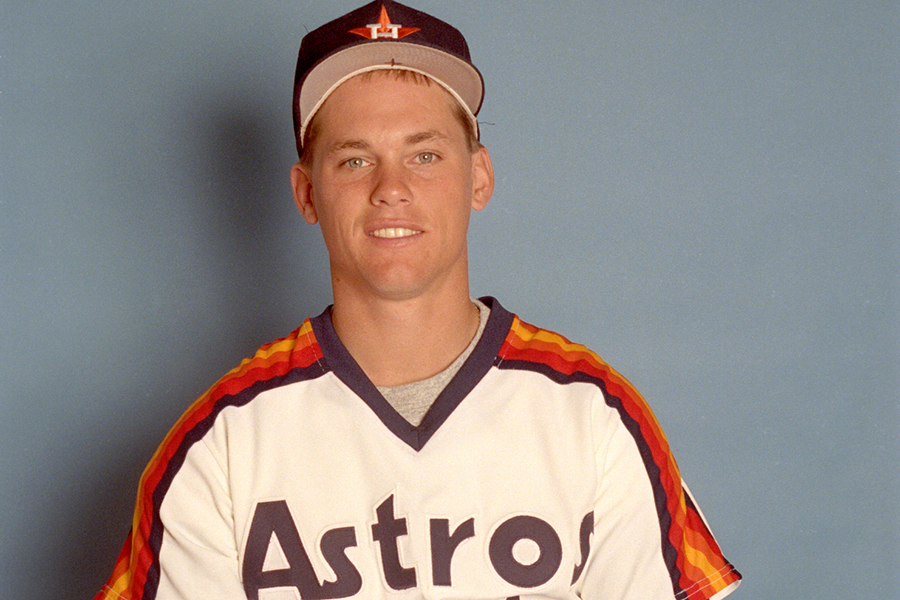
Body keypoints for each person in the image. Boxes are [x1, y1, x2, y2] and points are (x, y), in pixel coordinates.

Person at [95, 1, 742, 599]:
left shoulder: (593, 418)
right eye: (353, 160)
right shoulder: (221, 448)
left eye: (425, 154)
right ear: (306, 193)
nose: (391, 188)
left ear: (480, 177)